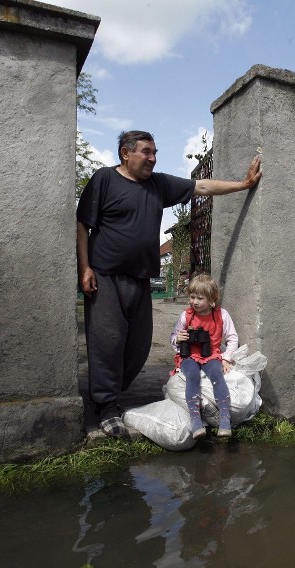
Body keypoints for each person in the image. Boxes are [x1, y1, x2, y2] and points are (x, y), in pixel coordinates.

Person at [76, 130, 261, 437]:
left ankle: (108, 394)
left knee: (138, 345)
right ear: (126, 153)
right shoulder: (104, 180)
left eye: (155, 152)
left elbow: (201, 185)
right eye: (146, 152)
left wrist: (243, 185)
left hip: (140, 278)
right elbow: (84, 224)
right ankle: (106, 407)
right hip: (105, 275)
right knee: (106, 344)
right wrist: (85, 267)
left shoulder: (158, 185)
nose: (153, 158)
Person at [170, 274, 239, 439]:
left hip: (211, 354)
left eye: (199, 298)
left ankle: (224, 419)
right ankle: (196, 421)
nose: (194, 302)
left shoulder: (221, 315)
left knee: (217, 374)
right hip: (189, 356)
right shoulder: (185, 316)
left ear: (211, 299)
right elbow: (173, 338)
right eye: (192, 297)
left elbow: (232, 338)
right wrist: (177, 339)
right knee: (192, 375)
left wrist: (226, 357)